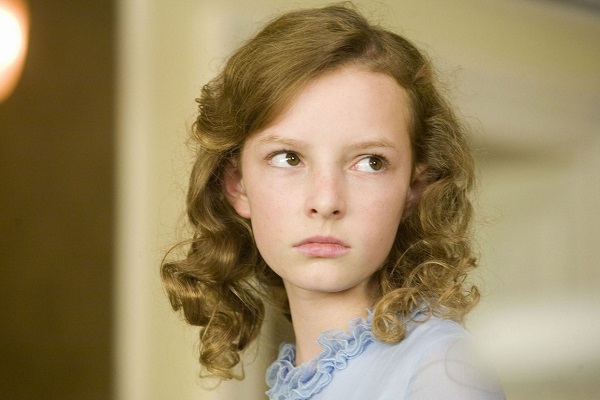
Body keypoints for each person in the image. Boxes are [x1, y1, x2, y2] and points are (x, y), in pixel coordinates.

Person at [161, 3, 505, 399]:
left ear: (414, 188)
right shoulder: (299, 377)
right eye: (288, 158)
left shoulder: (443, 369)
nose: (326, 202)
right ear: (237, 185)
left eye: (371, 162)